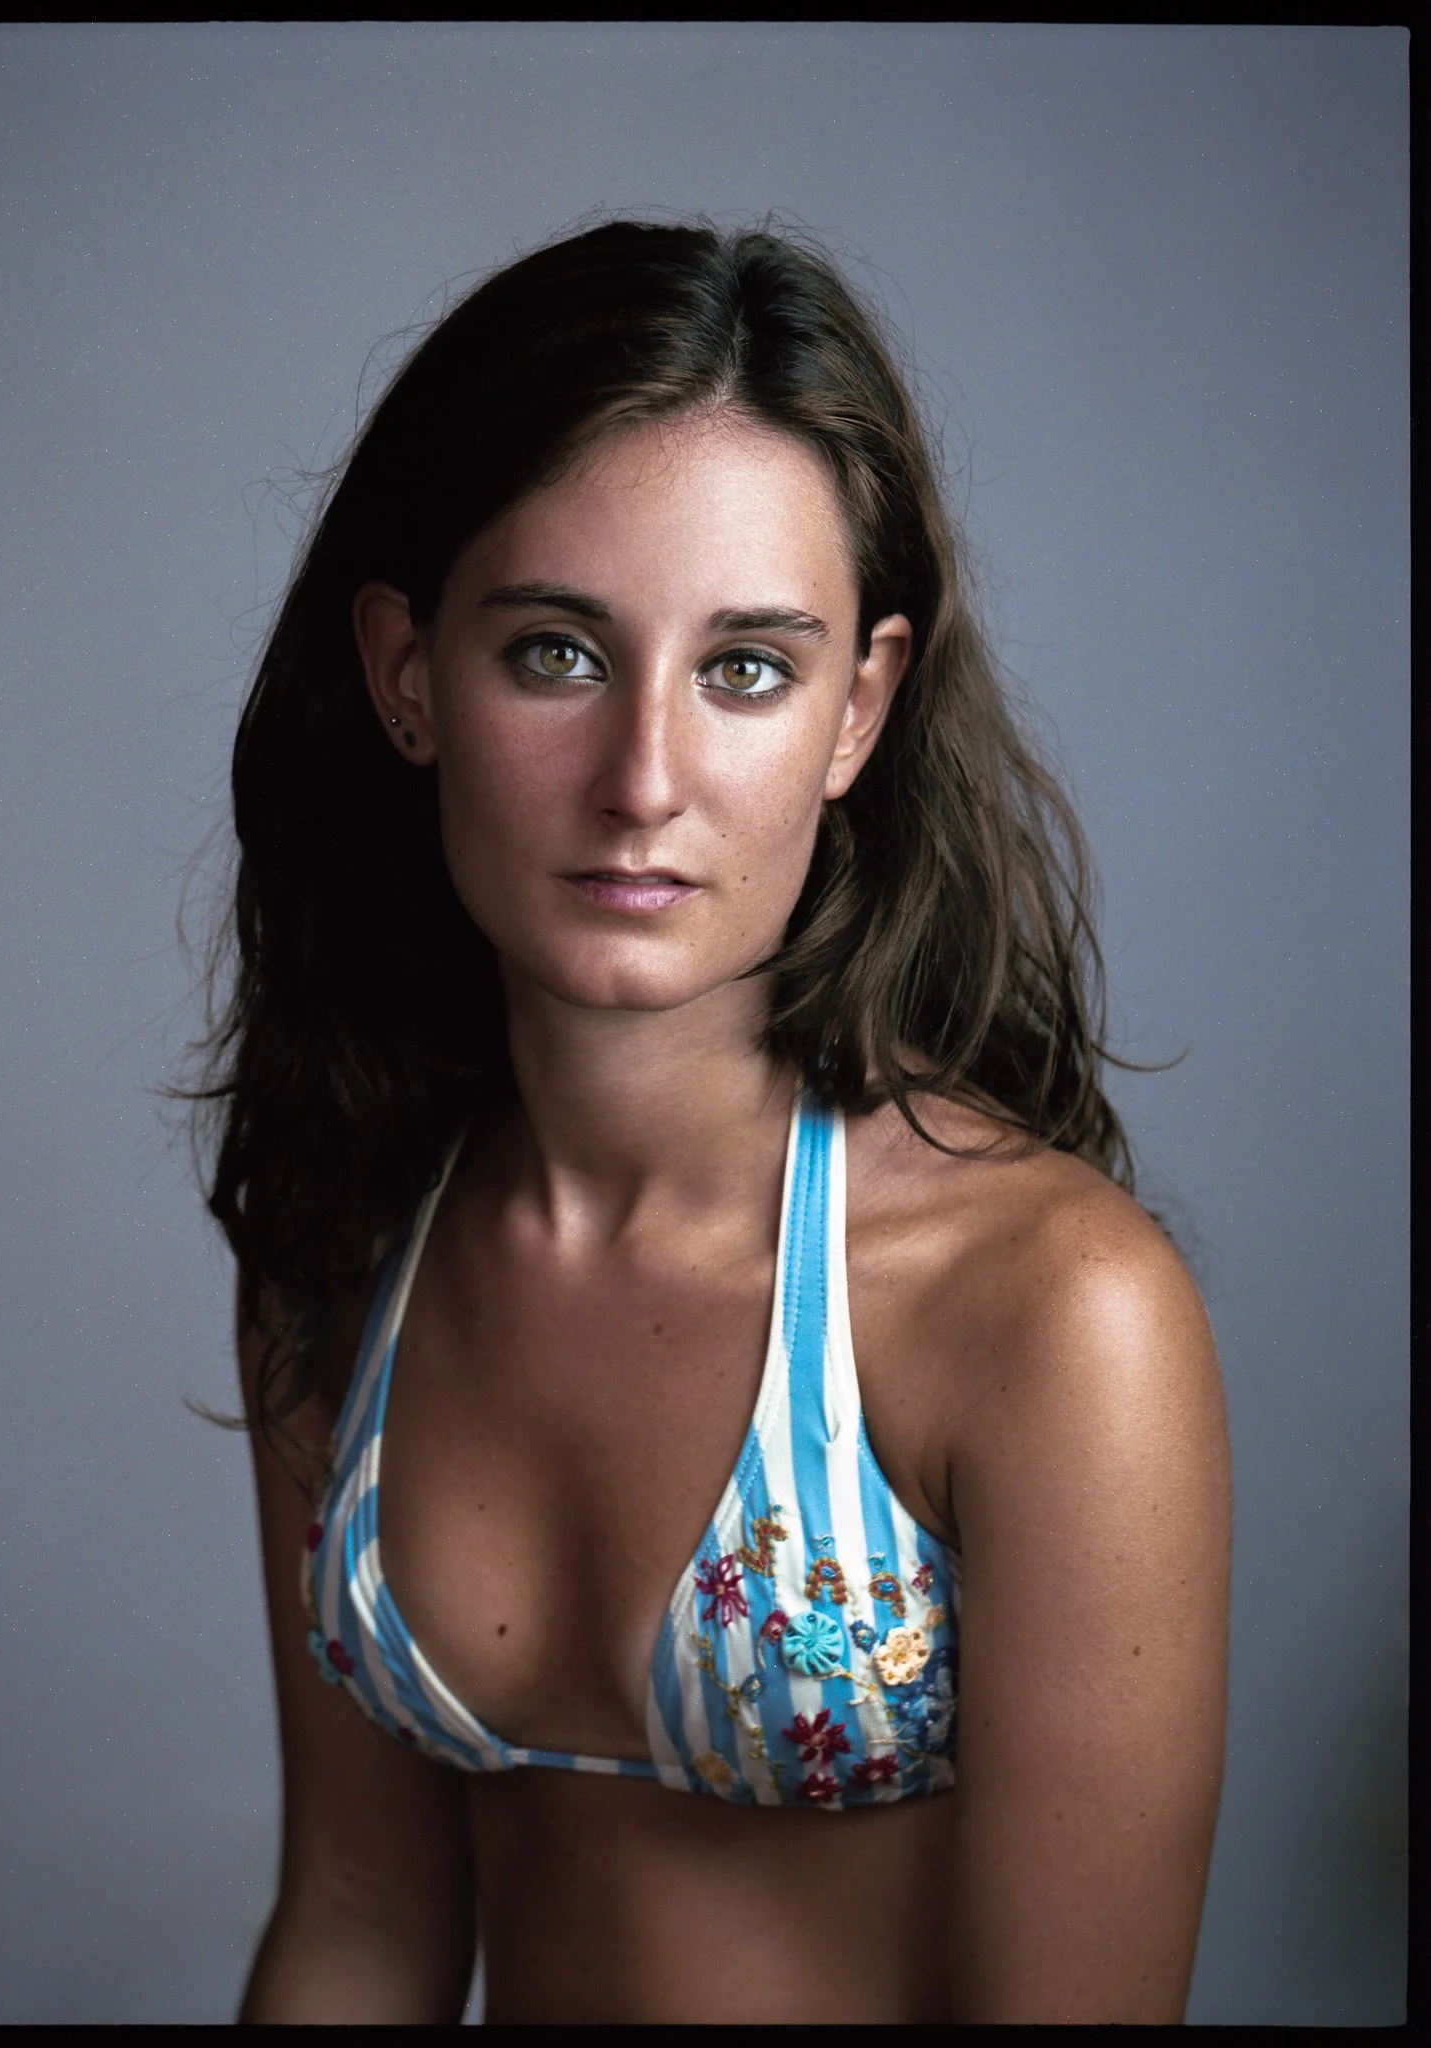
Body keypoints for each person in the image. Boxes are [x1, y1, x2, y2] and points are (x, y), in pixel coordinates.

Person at [189, 217, 1231, 2024]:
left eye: (746, 667)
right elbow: (359, 1926)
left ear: (859, 711)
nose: (646, 783)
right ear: (407, 674)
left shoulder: (1054, 1312)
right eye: (556, 654)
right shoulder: (341, 1250)